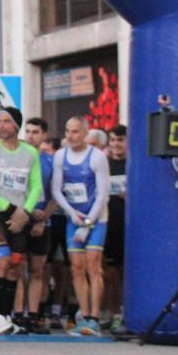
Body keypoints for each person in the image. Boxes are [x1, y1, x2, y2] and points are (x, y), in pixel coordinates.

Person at [0, 107, 43, 336]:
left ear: (16, 125)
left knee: (15, 265)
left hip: (21, 215)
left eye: (6, 121)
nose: (1, 125)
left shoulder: (30, 153)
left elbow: (36, 186)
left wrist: (25, 212)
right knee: (2, 261)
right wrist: (12, 209)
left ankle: (7, 317)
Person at [52, 116, 111, 336]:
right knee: (76, 268)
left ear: (85, 133)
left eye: (75, 131)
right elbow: (56, 189)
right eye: (67, 131)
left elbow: (102, 194)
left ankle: (94, 318)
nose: (70, 136)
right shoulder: (60, 155)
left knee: (93, 266)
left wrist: (88, 222)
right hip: (74, 218)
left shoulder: (97, 157)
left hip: (96, 218)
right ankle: (83, 316)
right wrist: (71, 213)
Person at [20, 117, 57, 334]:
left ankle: (34, 316)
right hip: (20, 219)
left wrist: (42, 220)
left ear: (44, 135)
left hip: (43, 221)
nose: (30, 136)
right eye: (28, 131)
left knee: (37, 271)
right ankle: (18, 315)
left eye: (35, 132)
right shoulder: (17, 159)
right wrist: (26, 213)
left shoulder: (50, 162)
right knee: (17, 269)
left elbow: (56, 194)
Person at [105, 124, 127, 333]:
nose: (116, 144)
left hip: (129, 226)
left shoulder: (134, 165)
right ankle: (112, 313)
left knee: (125, 272)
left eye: (120, 140)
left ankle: (125, 312)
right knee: (109, 272)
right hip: (109, 225)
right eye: (113, 140)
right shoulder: (105, 164)